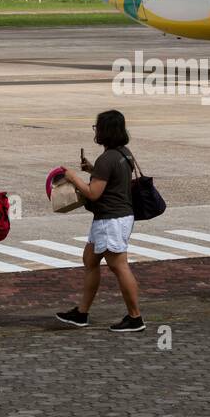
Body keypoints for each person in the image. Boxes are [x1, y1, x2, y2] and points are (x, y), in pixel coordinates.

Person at [55, 110, 145, 332]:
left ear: (105, 130)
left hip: (111, 219)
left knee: (118, 265)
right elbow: (112, 179)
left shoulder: (107, 158)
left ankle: (135, 318)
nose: (95, 132)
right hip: (114, 216)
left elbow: (94, 193)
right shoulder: (123, 153)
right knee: (90, 260)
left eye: (97, 128)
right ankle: (81, 313)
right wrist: (93, 170)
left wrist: (73, 177)